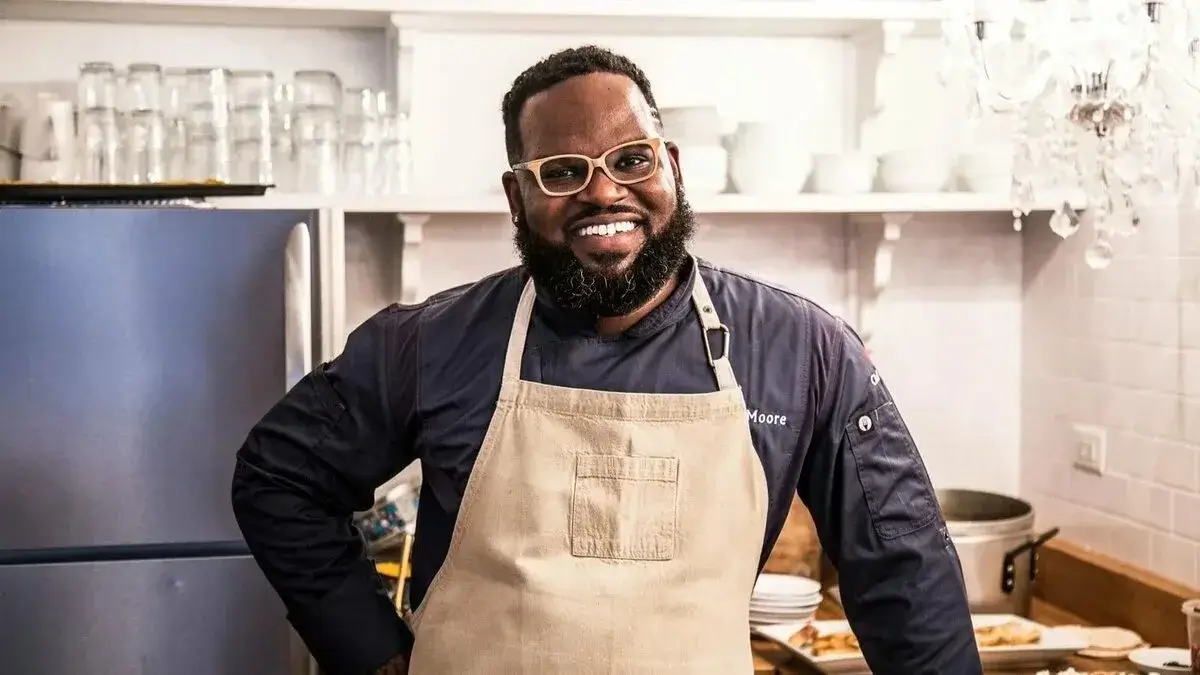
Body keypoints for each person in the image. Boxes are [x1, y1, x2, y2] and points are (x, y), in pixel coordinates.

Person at [232, 45, 983, 675]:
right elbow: (278, 474)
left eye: (632, 158)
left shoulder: (804, 349)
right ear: (517, 197)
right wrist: (369, 649)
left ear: (673, 167)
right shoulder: (429, 342)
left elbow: (904, 569)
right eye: (562, 171)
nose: (604, 191)